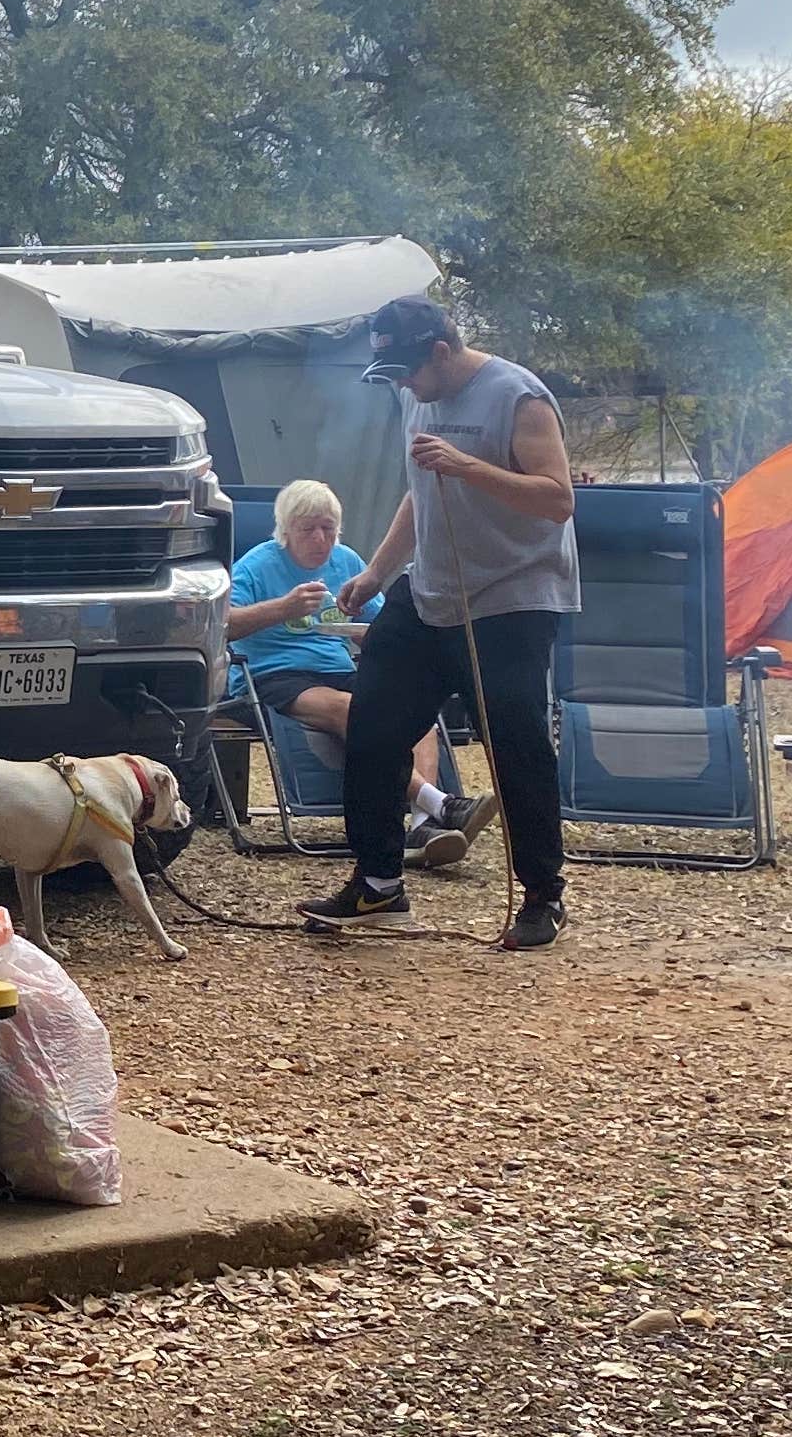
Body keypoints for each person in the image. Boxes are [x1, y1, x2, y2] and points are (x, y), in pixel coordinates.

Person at [300, 296, 580, 948]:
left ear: (442, 352)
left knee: (516, 743)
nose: (400, 383)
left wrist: (469, 466)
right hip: (430, 593)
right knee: (370, 725)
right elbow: (420, 495)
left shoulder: (518, 398)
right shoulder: (415, 395)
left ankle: (543, 895)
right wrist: (375, 571)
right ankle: (377, 886)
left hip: (511, 597)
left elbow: (558, 499)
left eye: (407, 369)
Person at [225, 477, 488, 869]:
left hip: (337, 665)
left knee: (416, 712)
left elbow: (382, 625)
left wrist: (371, 636)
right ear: (285, 532)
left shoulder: (346, 562)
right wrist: (283, 608)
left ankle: (421, 824)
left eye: (328, 529)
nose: (320, 539)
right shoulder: (258, 565)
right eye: (309, 529)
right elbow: (224, 624)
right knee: (358, 712)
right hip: (275, 673)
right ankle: (440, 803)